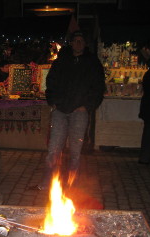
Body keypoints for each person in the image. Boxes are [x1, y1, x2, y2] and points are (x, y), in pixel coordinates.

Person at [37, 30, 106, 190]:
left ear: (85, 43)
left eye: (81, 40)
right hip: (60, 109)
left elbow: (98, 87)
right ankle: (48, 182)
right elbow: (51, 81)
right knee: (53, 149)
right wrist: (52, 101)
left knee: (75, 151)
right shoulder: (61, 61)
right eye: (76, 40)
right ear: (71, 43)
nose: (78, 43)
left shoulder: (92, 62)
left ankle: (72, 183)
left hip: (79, 111)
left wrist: (87, 106)